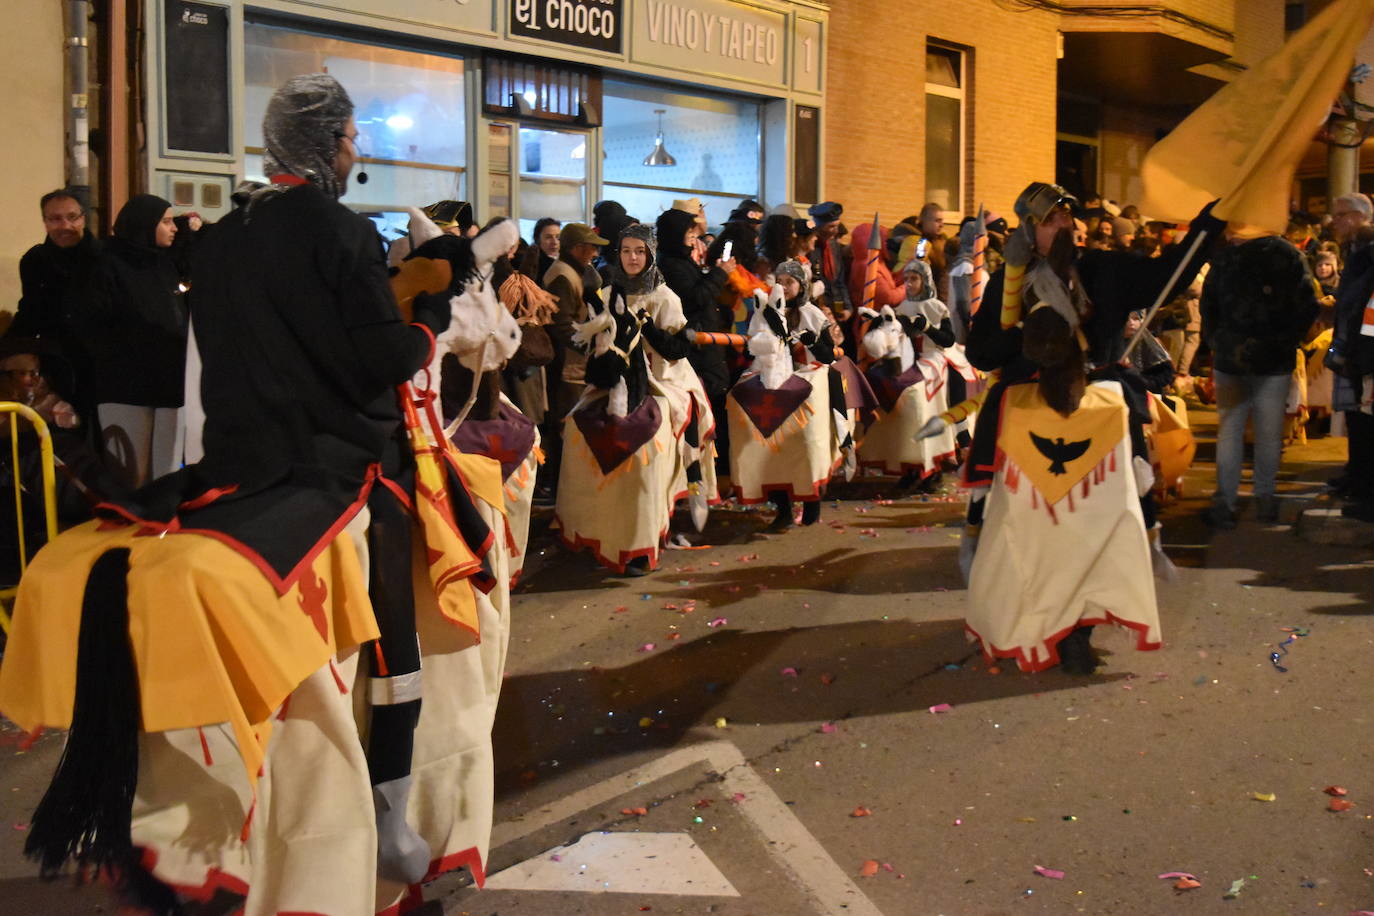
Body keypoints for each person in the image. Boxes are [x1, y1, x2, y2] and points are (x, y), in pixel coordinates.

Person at [0, 73, 464, 913]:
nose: (357, 148)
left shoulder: (217, 240)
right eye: (353, 136)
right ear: (329, 145)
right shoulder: (342, 232)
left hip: (232, 461)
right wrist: (431, 312)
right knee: (402, 578)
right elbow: (381, 362)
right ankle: (393, 810)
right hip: (328, 463)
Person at [1201, 233, 1319, 527]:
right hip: (1274, 357)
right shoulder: (1289, 256)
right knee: (1268, 432)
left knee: (1230, 431)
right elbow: (1307, 303)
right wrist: (1290, 339)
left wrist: (1217, 341)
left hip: (1231, 356)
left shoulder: (1225, 258)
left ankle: (1225, 502)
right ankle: (1264, 498)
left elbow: (1209, 305)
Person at [728, 261, 845, 530]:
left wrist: (810, 341)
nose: (783, 287)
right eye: (778, 281)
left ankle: (812, 500)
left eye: (789, 282)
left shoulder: (813, 314)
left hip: (808, 377)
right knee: (767, 440)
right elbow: (751, 349)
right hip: (776, 380)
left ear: (801, 285)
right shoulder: (765, 312)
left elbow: (828, 356)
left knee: (805, 441)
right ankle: (783, 506)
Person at [93, 193, 188, 489]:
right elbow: (100, 323)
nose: (174, 229)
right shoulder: (107, 263)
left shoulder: (164, 264)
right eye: (167, 222)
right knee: (130, 476)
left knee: (168, 474)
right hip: (126, 386)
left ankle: (162, 533)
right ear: (145, 225)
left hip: (169, 383)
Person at [9, 189, 103, 418]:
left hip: (100, 361)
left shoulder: (104, 257)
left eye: (72, 217)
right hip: (57, 362)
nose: (65, 226)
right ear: (44, 221)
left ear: (83, 217)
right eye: (55, 219)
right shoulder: (35, 260)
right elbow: (30, 310)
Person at [520, 216, 561, 286]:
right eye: (548, 237)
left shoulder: (565, 260)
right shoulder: (533, 264)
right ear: (538, 239)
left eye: (558, 237)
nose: (555, 242)